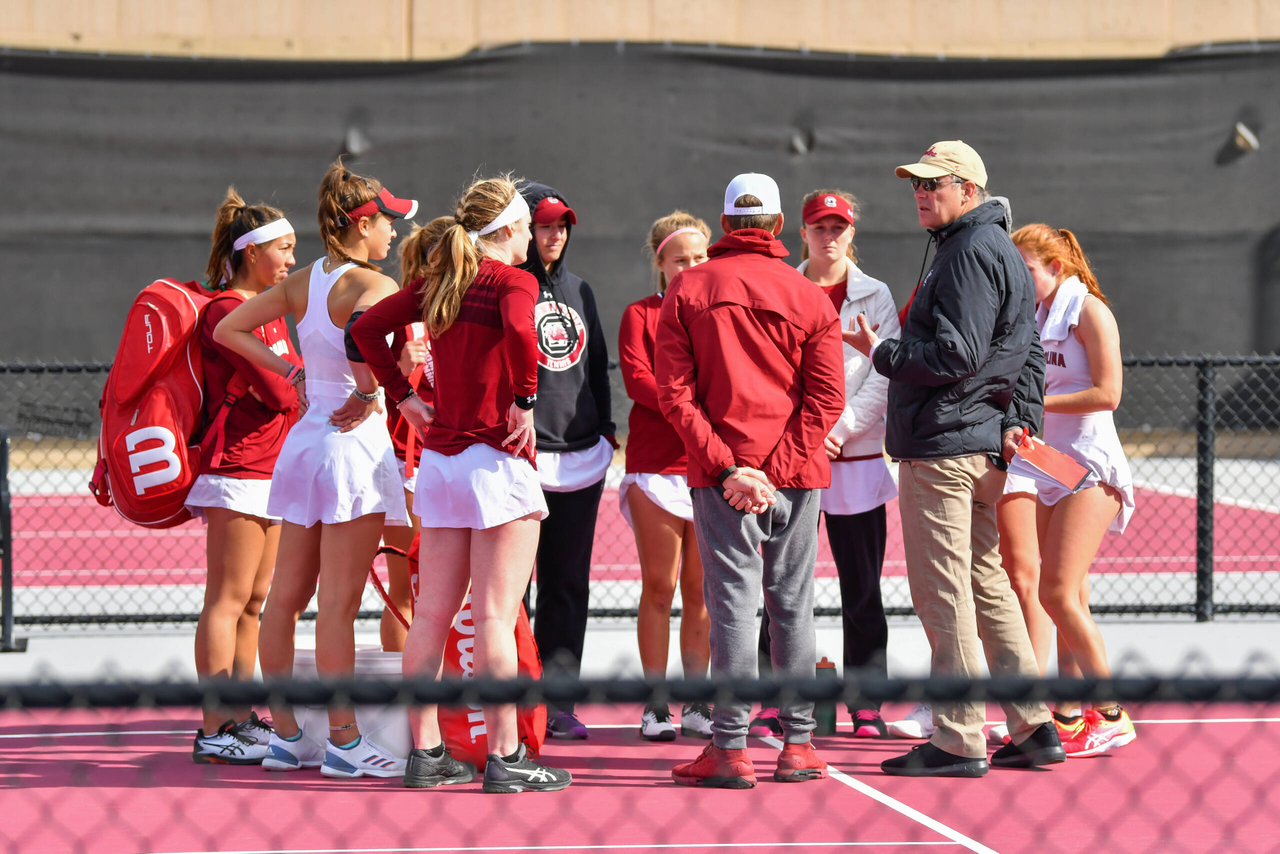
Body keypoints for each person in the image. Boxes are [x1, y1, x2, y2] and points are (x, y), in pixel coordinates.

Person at [847, 141, 1064, 777]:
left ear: (967, 190)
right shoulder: (995, 250)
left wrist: (882, 352)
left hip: (944, 449)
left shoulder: (967, 252)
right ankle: (1032, 728)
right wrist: (1016, 428)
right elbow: (1024, 358)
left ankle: (960, 737)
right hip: (977, 445)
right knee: (986, 583)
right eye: (916, 183)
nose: (920, 192)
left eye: (933, 184)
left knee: (945, 594)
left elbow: (955, 354)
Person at [352, 175, 572, 793]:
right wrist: (526, 400)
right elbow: (524, 334)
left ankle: (425, 753)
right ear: (504, 230)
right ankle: (507, 758)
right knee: (497, 618)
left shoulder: (440, 281)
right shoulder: (513, 280)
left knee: (431, 617)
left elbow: (366, 330)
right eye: (526, 225)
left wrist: (403, 399)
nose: (533, 235)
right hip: (496, 463)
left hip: (442, 466)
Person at [214, 161, 414, 778]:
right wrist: (372, 391)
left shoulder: (304, 281)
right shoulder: (373, 286)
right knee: (337, 608)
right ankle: (346, 744)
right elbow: (377, 355)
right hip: (351, 451)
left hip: (305, 446)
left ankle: (285, 734)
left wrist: (297, 373)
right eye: (388, 222)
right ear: (362, 223)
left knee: (284, 602)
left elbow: (230, 327)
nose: (395, 235)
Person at [657, 173, 845, 788]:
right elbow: (827, 397)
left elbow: (675, 395)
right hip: (791, 476)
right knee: (792, 604)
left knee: (732, 607)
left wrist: (731, 468)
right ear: (778, 225)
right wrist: (774, 470)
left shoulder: (687, 287)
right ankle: (797, 744)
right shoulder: (809, 294)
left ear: (726, 223)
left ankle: (731, 748)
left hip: (724, 479)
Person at [1009, 223, 1137, 757]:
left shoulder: (1089, 311)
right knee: (1070, 592)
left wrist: (1035, 407)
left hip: (1090, 464)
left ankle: (1110, 712)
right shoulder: (1035, 315)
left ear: (1055, 268)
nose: (1019, 280)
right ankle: (1066, 711)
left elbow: (1109, 393)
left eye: (1027, 270)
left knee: (1055, 592)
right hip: (1050, 461)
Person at [188, 189, 300, 764]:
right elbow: (283, 390)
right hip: (236, 466)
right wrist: (299, 379)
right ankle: (213, 727)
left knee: (258, 599)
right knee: (227, 599)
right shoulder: (223, 310)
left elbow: (289, 394)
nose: (290, 261)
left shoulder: (269, 311)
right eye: (282, 250)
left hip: (272, 465)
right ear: (251, 252)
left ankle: (240, 714)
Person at [516, 182, 616, 741]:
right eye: (543, 226)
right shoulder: (508, 287)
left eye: (560, 227)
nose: (553, 236)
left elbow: (596, 364)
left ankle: (557, 701)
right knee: (512, 592)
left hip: (580, 461)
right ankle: (515, 699)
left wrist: (603, 430)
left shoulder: (580, 289)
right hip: (523, 461)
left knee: (567, 585)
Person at [618, 211, 714, 741]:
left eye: (701, 257)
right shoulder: (640, 314)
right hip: (656, 467)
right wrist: (693, 410)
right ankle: (656, 705)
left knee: (701, 592)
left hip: (707, 467)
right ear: (660, 262)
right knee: (660, 586)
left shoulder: (721, 314)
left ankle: (698, 701)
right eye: (681, 259)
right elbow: (638, 381)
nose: (692, 266)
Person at [378, 216, 455, 652]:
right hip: (410, 462)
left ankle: (449, 704)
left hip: (456, 462)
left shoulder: (466, 313)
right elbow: (372, 400)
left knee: (450, 590)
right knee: (409, 585)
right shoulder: (401, 319)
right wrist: (403, 368)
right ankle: (404, 700)